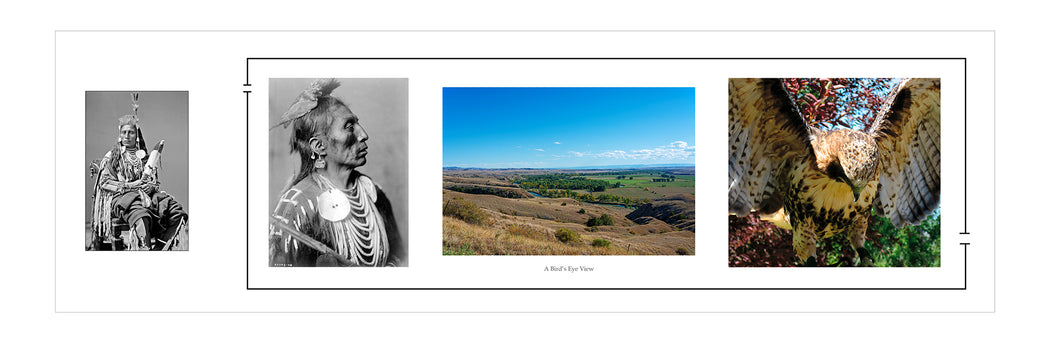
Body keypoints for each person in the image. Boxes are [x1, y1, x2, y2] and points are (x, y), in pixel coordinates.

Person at [269, 79, 404, 267]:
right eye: (349, 126)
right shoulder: (296, 206)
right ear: (319, 146)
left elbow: (400, 258)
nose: (363, 134)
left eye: (358, 124)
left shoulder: (373, 193)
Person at [89, 111, 188, 251]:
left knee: (176, 211)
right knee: (141, 215)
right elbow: (104, 182)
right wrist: (129, 185)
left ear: (137, 136)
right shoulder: (113, 156)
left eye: (131, 132)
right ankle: (144, 248)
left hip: (147, 196)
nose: (127, 136)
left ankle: (161, 248)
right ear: (120, 134)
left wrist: (151, 187)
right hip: (123, 198)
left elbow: (154, 180)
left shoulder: (144, 157)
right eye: (124, 132)